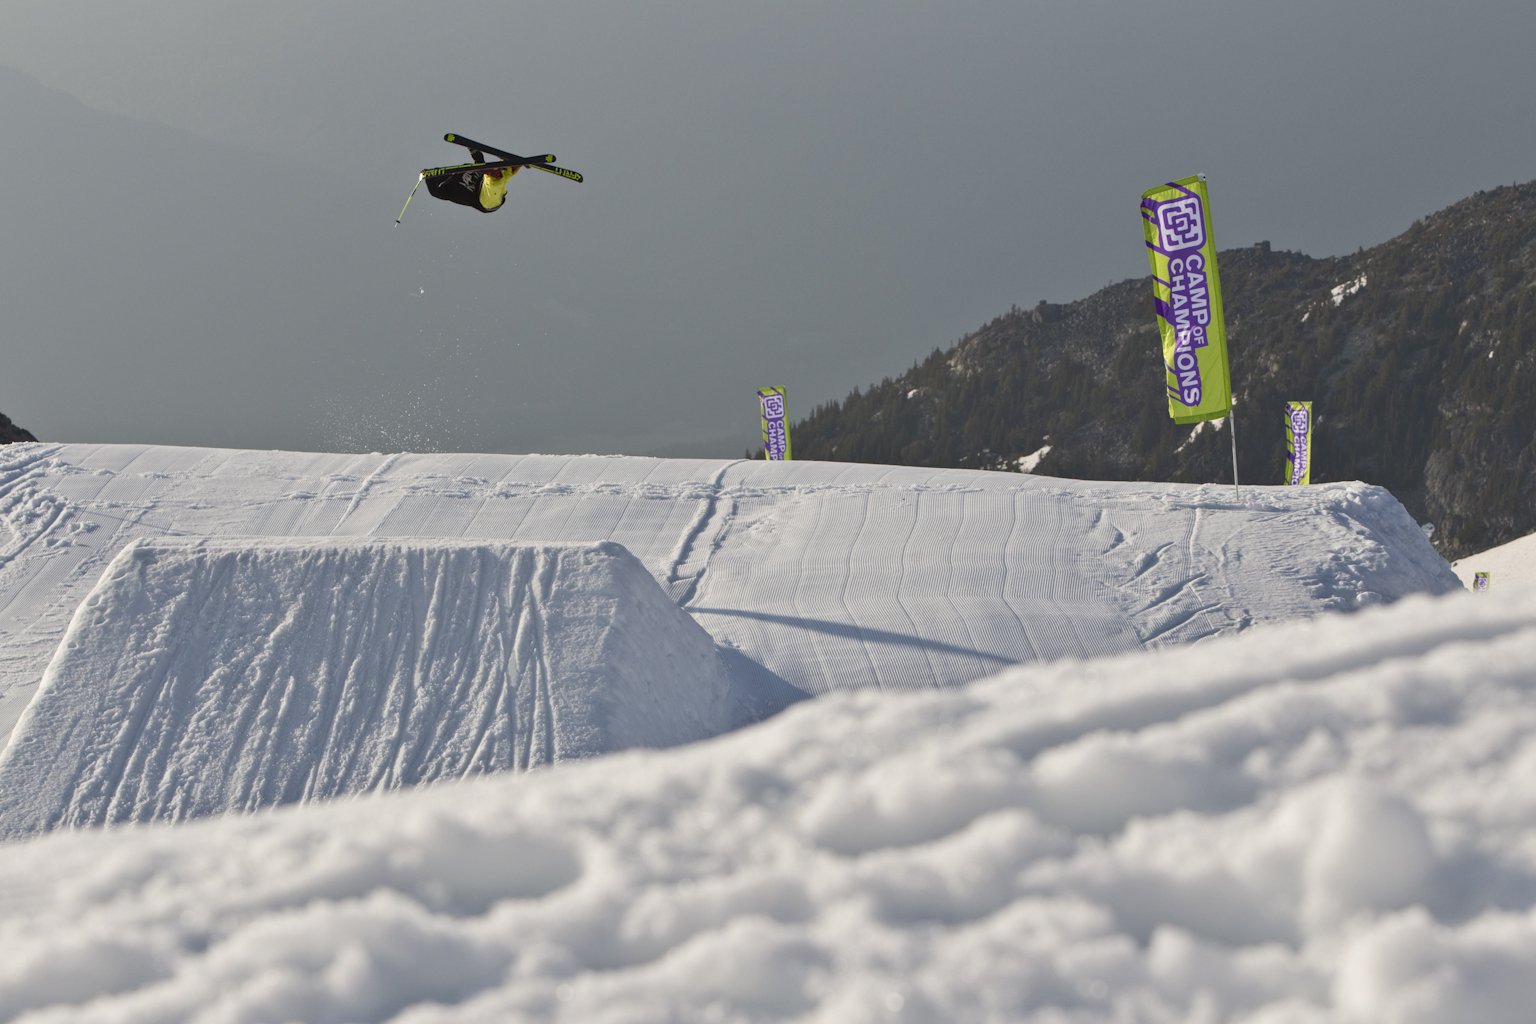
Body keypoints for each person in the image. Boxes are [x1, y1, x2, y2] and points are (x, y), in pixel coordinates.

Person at [424, 150, 521, 213]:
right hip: (485, 202)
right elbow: (434, 191)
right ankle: (505, 168)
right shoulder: (449, 188)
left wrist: (474, 151)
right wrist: (428, 176)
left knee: (501, 178)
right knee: (492, 180)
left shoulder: (467, 167)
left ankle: (509, 167)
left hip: (494, 192)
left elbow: (480, 162)